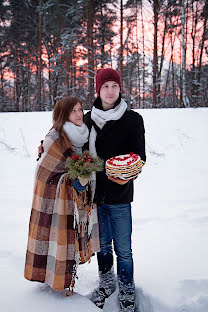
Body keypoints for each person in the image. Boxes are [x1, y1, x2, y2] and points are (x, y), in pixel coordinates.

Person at [84, 68, 146, 312]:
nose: (110, 91)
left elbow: (140, 156)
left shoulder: (133, 119)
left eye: (114, 86)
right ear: (97, 90)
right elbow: (72, 142)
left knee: (124, 249)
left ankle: (126, 286)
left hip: (120, 195)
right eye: (105, 86)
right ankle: (107, 282)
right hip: (95, 195)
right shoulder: (88, 119)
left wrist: (126, 173)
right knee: (102, 245)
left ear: (120, 89)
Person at [24, 96, 99, 295]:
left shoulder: (84, 134)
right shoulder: (55, 137)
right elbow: (44, 172)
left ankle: (62, 277)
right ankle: (51, 282)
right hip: (54, 199)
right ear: (63, 114)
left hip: (75, 200)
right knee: (54, 239)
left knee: (68, 241)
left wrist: (82, 178)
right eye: (73, 110)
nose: (78, 114)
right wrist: (71, 180)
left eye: (80, 109)